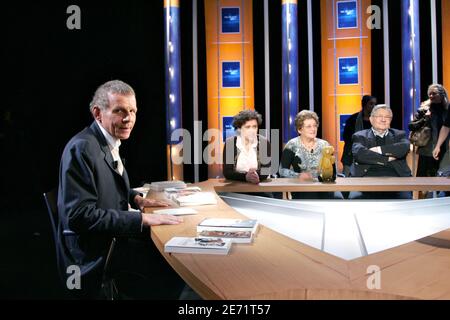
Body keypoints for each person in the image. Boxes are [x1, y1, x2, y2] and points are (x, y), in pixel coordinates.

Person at [57, 80, 185, 299]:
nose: (129, 119)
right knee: (174, 266)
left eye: (133, 111)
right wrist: (141, 220)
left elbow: (107, 186)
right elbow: (78, 216)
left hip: (111, 239)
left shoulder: (106, 141)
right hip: (94, 253)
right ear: (98, 113)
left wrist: (136, 199)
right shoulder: (83, 148)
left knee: (174, 254)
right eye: (119, 111)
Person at [349, 104, 412, 199]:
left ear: (390, 120)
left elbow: (403, 148)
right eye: (379, 116)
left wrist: (379, 150)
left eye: (387, 117)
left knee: (406, 201)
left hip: (396, 179)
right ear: (371, 119)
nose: (383, 119)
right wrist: (386, 159)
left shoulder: (399, 134)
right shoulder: (360, 136)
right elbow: (360, 154)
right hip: (365, 179)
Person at [279, 110, 343, 199]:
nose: (313, 129)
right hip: (302, 186)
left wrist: (328, 176)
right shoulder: (292, 145)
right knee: (310, 196)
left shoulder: (324, 145)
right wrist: (298, 176)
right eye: (308, 126)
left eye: (314, 126)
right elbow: (282, 171)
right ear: (299, 129)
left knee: (338, 198)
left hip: (323, 186)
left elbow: (333, 172)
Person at [410, 84, 449, 178]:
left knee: (443, 177)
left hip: (444, 148)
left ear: (442, 94)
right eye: (429, 94)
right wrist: (424, 119)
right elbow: (411, 126)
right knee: (423, 179)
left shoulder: (447, 110)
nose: (431, 96)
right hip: (427, 149)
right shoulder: (423, 110)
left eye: (434, 93)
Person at [341, 95, 377, 177]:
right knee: (346, 181)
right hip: (351, 154)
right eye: (371, 104)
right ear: (364, 104)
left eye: (375, 104)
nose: (374, 106)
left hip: (370, 155)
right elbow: (346, 137)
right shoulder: (353, 120)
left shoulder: (377, 121)